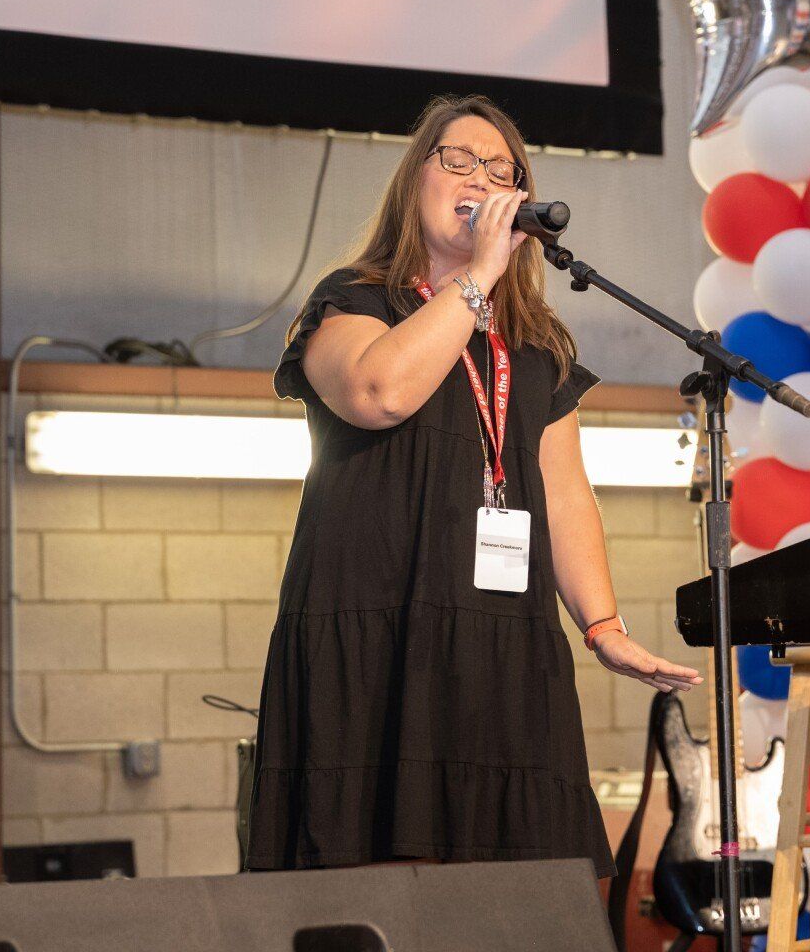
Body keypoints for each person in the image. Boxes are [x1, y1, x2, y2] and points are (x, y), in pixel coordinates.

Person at [245, 94, 701, 875]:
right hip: (377, 628)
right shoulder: (352, 303)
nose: (481, 177)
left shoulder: (535, 347)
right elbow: (378, 393)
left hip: (502, 637)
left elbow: (565, 494)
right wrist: (480, 276)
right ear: (414, 181)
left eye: (502, 169)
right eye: (458, 159)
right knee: (379, 870)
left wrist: (603, 625)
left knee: (520, 886)